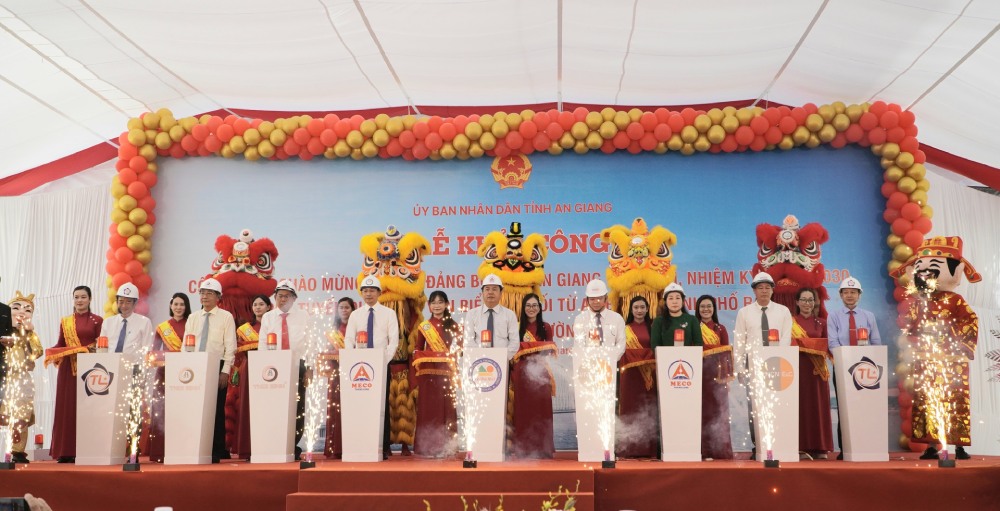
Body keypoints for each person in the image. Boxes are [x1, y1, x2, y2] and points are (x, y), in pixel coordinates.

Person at [733, 272, 792, 460]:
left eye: (767, 287)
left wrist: (775, 358)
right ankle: (758, 446)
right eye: (760, 288)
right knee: (755, 407)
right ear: (754, 291)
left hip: (777, 365)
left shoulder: (783, 311)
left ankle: (779, 443)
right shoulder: (745, 312)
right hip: (754, 364)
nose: (764, 291)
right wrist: (740, 368)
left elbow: (786, 338)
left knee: (778, 404)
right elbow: (740, 342)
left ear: (773, 290)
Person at [827, 277, 883, 460]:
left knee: (865, 406)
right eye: (846, 292)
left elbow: (875, 341)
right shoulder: (833, 316)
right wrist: (845, 359)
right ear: (840, 295)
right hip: (842, 367)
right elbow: (833, 342)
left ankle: (867, 445)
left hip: (865, 368)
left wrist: (872, 358)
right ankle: (846, 448)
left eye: (853, 292)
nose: (849, 295)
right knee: (844, 408)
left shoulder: (869, 316)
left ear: (859, 295)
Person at [345, 275, 400, 459]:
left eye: (372, 291)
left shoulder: (388, 313)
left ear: (379, 293)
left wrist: (383, 361)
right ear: (361, 294)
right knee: (359, 404)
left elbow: (394, 341)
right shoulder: (355, 315)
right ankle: (359, 444)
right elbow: (349, 339)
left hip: (381, 366)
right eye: (365, 291)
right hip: (359, 367)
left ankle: (382, 446)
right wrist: (352, 359)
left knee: (381, 406)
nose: (368, 294)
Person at [49, 286, 103, 463]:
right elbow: (60, 344)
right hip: (68, 371)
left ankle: (87, 449)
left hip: (89, 370)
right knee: (67, 408)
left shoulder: (97, 320)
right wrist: (51, 353)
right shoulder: (66, 322)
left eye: (83, 297)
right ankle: (65, 451)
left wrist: (85, 350)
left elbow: (101, 345)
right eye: (76, 297)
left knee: (87, 409)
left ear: (90, 299)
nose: (79, 300)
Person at [185, 278, 237, 463]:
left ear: (218, 297)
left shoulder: (226, 317)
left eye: (209, 293)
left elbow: (230, 346)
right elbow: (186, 343)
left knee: (216, 410)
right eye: (202, 293)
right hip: (195, 365)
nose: (204, 296)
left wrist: (225, 371)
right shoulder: (193, 317)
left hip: (216, 365)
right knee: (194, 407)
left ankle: (216, 450)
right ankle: (193, 447)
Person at [258, 280, 309, 460]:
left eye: (287, 296)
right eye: (279, 296)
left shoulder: (304, 316)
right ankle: (274, 443)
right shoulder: (268, 317)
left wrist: (309, 368)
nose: (283, 299)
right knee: (274, 405)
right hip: (274, 367)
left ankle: (292, 445)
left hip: (298, 366)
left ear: (294, 298)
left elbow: (310, 344)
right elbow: (263, 344)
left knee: (297, 405)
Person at [410, 290, 460, 458]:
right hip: (428, 375)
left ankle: (447, 447)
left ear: (447, 304)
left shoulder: (453, 325)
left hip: (447, 373)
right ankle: (427, 447)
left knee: (447, 409)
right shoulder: (424, 326)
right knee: (429, 408)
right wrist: (417, 354)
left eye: (440, 302)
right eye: (433, 302)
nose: (437, 305)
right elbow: (418, 348)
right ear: (429, 306)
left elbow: (459, 349)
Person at [509, 293, 556, 459]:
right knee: (523, 410)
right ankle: (524, 449)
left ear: (540, 308)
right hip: (521, 372)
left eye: (535, 305)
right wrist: (534, 346)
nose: (531, 308)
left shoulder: (546, 327)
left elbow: (550, 348)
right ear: (523, 308)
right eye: (528, 305)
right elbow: (512, 349)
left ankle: (544, 448)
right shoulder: (516, 327)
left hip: (541, 371)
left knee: (541, 410)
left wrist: (528, 347)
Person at [0, 292, 43, 464]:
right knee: (5, 413)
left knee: (21, 416)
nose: (21, 312)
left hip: (23, 378)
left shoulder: (30, 334)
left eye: (27, 310)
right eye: (16, 308)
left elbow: (38, 352)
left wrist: (24, 337)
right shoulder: (4, 331)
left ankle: (17, 450)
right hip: (6, 376)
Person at [148, 292, 191, 463]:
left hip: (186, 374)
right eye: (176, 304)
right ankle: (160, 452)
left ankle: (184, 450)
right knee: (162, 410)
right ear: (171, 306)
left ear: (186, 307)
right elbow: (153, 352)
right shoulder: (162, 327)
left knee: (184, 411)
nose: (179, 307)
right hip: (164, 373)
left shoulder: (192, 324)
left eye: (182, 304)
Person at [792, 287, 833, 460]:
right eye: (804, 300)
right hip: (798, 370)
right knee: (800, 407)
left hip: (817, 371)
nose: (807, 303)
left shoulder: (823, 323)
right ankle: (800, 446)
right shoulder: (790, 322)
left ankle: (820, 447)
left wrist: (807, 343)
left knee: (818, 406)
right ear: (797, 302)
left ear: (815, 302)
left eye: (810, 300)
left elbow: (828, 346)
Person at [617, 295, 658, 458]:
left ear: (647, 309)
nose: (639, 310)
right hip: (629, 375)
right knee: (629, 409)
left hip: (649, 376)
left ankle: (648, 450)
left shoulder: (653, 327)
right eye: (636, 308)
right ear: (631, 310)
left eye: (642, 307)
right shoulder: (624, 328)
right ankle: (628, 450)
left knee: (648, 410)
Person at [232, 294, 269, 460]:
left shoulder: (274, 326)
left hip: (271, 369)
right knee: (248, 407)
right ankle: (248, 448)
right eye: (255, 305)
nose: (258, 307)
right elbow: (238, 354)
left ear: (269, 307)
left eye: (262, 304)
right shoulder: (244, 329)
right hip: (249, 369)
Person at [696, 295, 733, 460]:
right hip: (699, 376)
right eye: (702, 306)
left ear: (714, 308)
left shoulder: (721, 329)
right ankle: (704, 451)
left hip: (717, 378)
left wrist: (725, 378)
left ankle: (720, 451)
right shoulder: (694, 328)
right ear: (697, 309)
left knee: (719, 414)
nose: (705, 309)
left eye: (709, 306)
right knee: (701, 413)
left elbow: (726, 354)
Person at [464, 274, 519, 361]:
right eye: (487, 289)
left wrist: (502, 358)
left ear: (501, 293)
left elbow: (514, 342)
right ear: (482, 293)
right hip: (478, 363)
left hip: (502, 362)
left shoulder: (509, 314)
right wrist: (480, 358)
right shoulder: (472, 314)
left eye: (494, 289)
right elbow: (468, 341)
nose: (490, 292)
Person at [324, 296, 353, 459]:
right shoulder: (333, 331)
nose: (344, 310)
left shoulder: (356, 328)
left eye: (347, 307)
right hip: (335, 374)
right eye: (341, 307)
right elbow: (327, 352)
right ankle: (334, 446)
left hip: (352, 375)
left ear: (352, 309)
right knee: (335, 408)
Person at [572, 279, 626, 359]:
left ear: (606, 298)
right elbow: (579, 345)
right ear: (587, 300)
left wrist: (608, 360)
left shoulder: (617, 318)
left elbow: (621, 344)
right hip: (588, 367)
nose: (596, 302)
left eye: (599, 298)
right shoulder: (580, 319)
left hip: (612, 365)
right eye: (592, 299)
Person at [651, 283, 704, 348]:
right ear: (665, 302)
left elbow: (698, 344)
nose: (674, 301)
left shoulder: (692, 320)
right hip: (665, 357)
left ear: (683, 301)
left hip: (688, 357)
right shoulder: (658, 321)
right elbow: (655, 345)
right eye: (671, 298)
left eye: (678, 298)